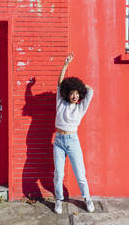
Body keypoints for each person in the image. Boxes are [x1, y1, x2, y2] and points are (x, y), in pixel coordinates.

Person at [53, 53, 95, 214]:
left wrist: (78, 85)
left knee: (80, 174)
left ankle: (87, 198)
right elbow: (59, 84)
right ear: (67, 93)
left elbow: (90, 91)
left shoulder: (80, 107)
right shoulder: (60, 102)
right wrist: (65, 65)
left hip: (72, 140)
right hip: (58, 141)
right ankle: (58, 200)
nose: (74, 96)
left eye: (77, 94)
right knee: (58, 174)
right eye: (72, 93)